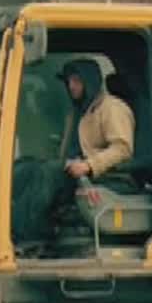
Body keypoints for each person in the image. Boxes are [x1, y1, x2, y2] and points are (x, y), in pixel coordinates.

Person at [11, 58, 135, 245]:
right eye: (69, 81)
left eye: (76, 81)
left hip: (107, 176)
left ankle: (24, 233)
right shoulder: (77, 112)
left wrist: (89, 165)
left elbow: (122, 149)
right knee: (26, 167)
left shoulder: (112, 108)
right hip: (75, 169)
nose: (71, 86)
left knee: (47, 173)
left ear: (89, 81)